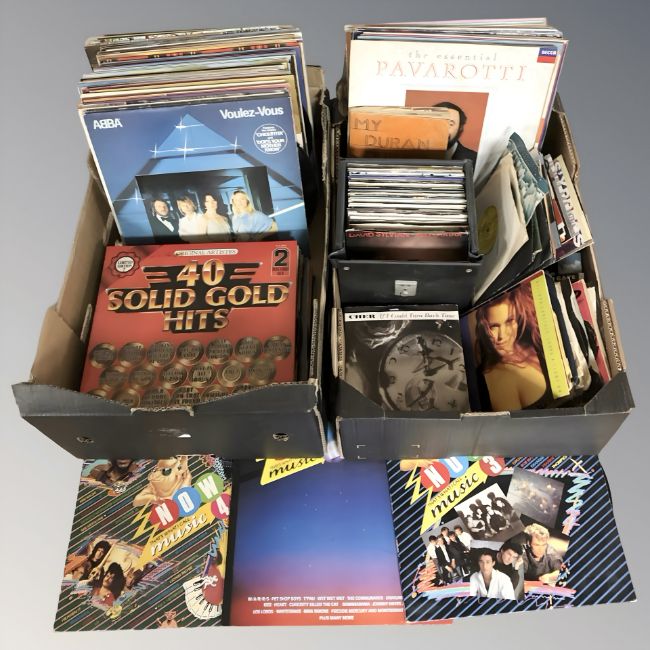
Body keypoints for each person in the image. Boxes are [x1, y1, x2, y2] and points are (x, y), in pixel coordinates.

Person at [474, 283, 550, 411]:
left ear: (517, 319)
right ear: (483, 328)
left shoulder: (536, 344)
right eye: (494, 326)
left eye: (509, 321)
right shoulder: (495, 378)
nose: (502, 335)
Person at [433, 101, 477, 167]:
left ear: (460, 128)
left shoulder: (476, 161)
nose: (442, 128)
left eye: (450, 124)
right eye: (437, 123)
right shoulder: (416, 156)